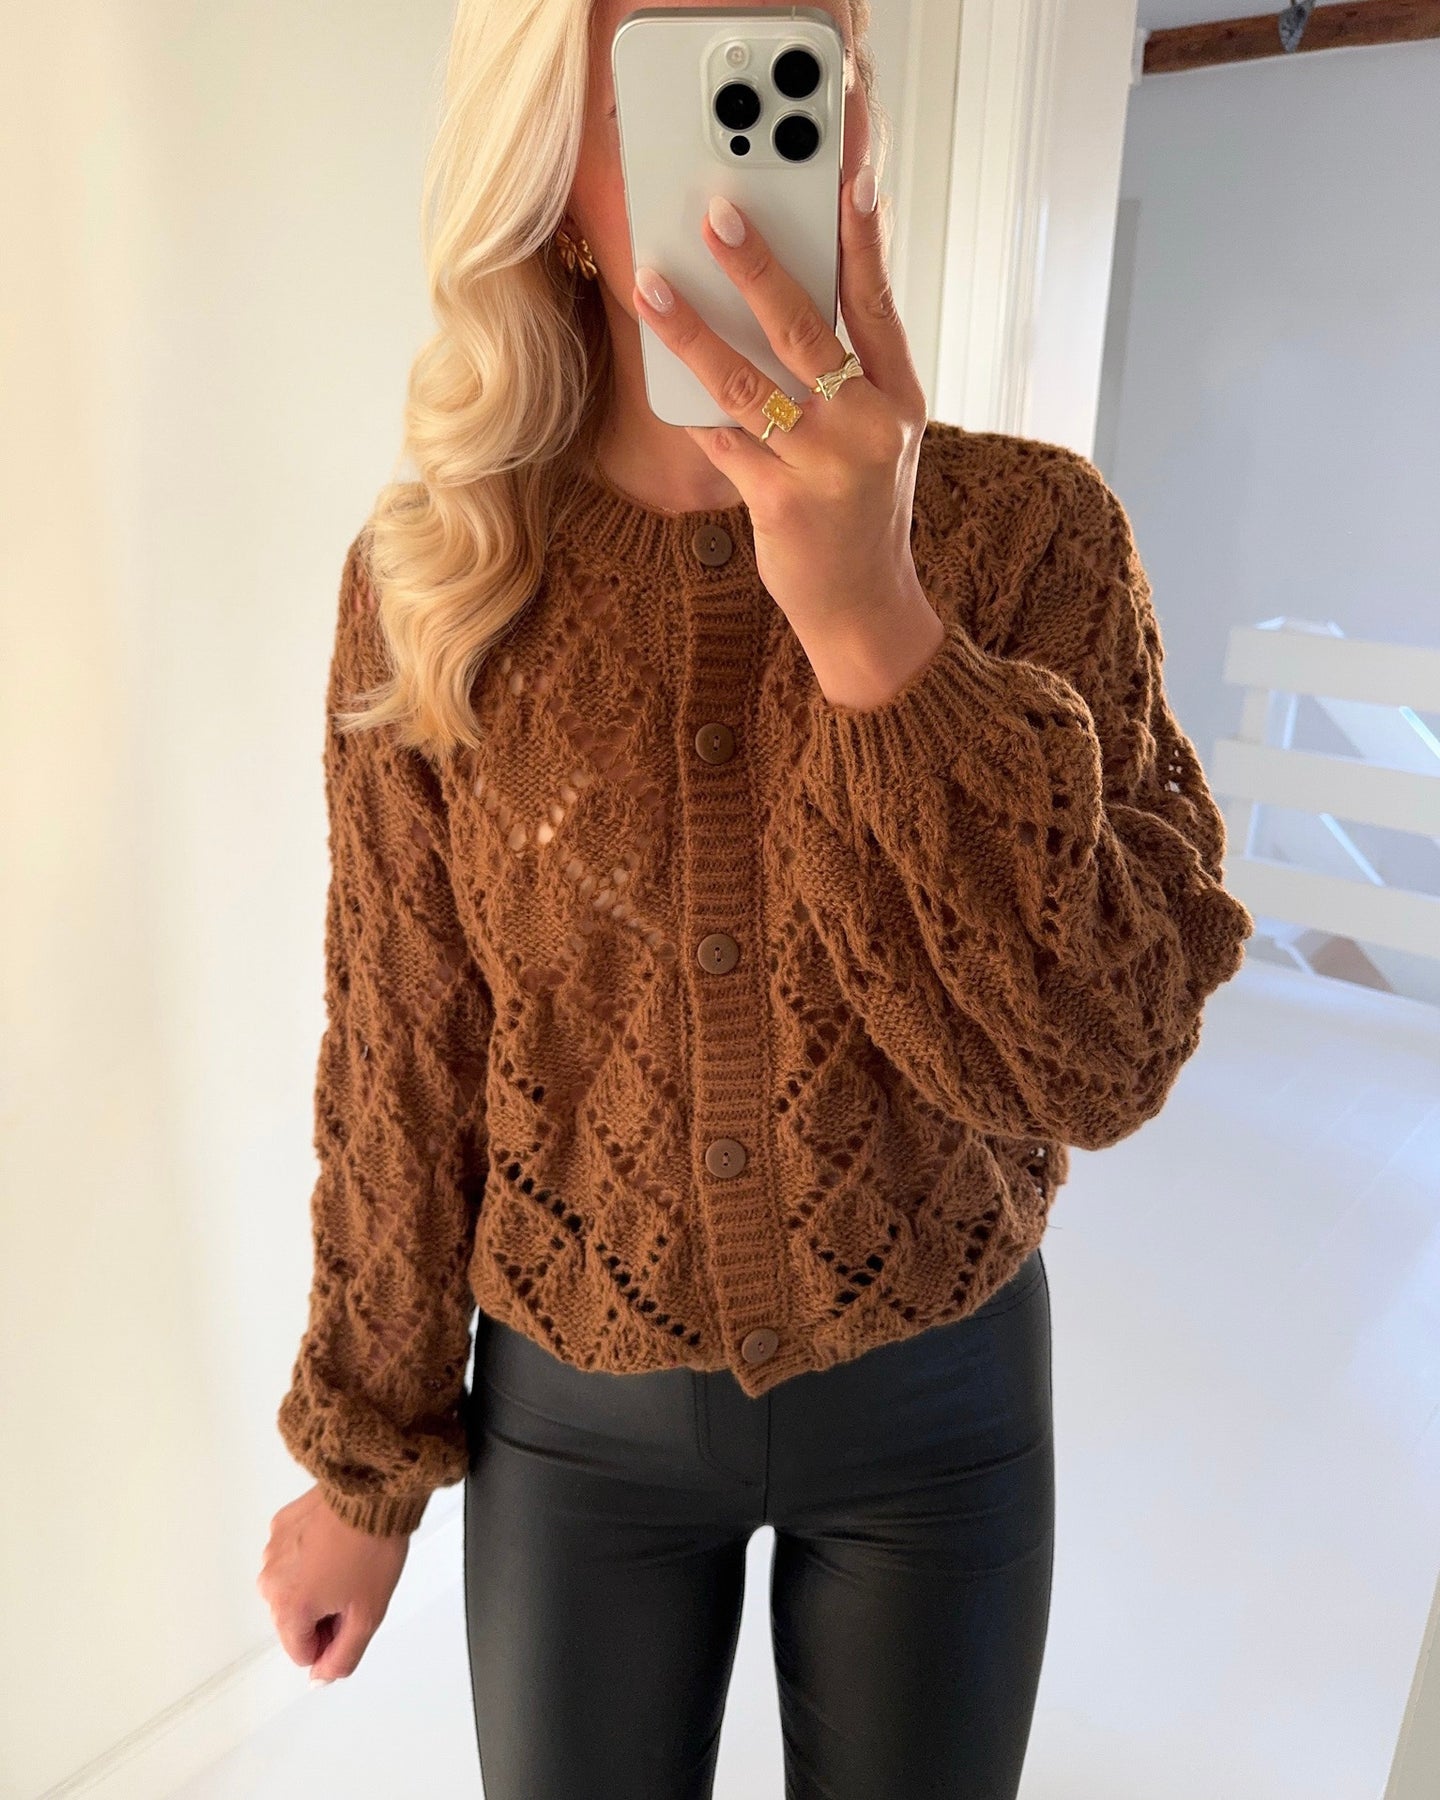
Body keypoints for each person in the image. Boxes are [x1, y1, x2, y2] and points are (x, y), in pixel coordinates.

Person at [256, 1, 1256, 1794]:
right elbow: (405, 1058)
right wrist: (365, 1467)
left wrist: (883, 631)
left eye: (797, 64)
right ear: (550, 173)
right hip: (574, 1420)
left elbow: (1102, 1060)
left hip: (940, 1401)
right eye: (677, 85)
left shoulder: (1033, 541)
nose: (742, 157)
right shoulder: (438, 584)